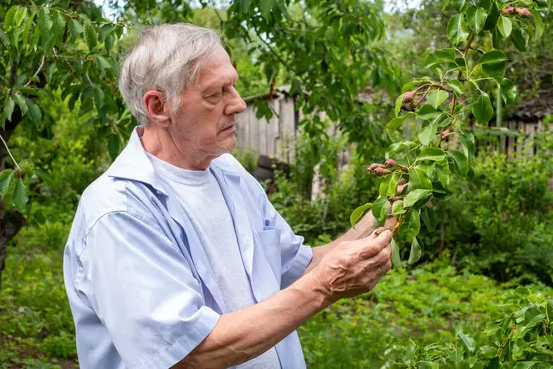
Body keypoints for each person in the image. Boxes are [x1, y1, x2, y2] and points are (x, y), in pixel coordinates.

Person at [63, 23, 393, 369]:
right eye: (215, 94)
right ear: (159, 106)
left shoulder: (228, 173)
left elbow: (301, 268)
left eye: (233, 87)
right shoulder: (119, 212)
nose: (238, 105)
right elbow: (189, 354)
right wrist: (325, 288)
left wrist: (391, 202)